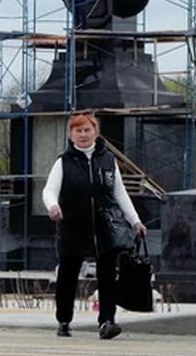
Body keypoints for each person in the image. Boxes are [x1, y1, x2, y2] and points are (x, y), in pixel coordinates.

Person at [42, 111, 146, 340]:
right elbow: (49, 190)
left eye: (87, 130)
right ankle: (64, 320)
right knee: (68, 276)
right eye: (78, 130)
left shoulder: (108, 161)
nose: (83, 135)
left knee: (108, 275)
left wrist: (135, 220)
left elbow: (119, 193)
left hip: (105, 227)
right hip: (73, 227)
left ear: (96, 133)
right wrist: (52, 206)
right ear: (71, 135)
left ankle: (107, 321)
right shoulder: (64, 162)